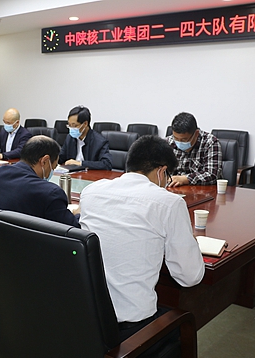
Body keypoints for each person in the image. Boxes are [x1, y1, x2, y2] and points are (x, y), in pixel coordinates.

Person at [79, 135, 204, 340]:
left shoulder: (91, 191)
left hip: (86, 314)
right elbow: (189, 277)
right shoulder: (169, 203)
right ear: (162, 171)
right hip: (130, 328)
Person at [0, 135, 81, 282]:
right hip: (19, 280)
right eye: (53, 167)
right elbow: (73, 233)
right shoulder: (49, 193)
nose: (51, 172)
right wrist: (78, 213)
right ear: (44, 161)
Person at [167, 112, 222, 186]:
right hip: (173, 188)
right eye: (176, 138)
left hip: (202, 189)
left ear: (196, 133)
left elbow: (212, 175)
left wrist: (185, 179)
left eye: (184, 140)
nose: (179, 142)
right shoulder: (168, 142)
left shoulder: (210, 142)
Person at [58, 105, 112, 170]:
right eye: (69, 125)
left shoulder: (100, 142)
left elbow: (106, 164)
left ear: (85, 124)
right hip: (71, 174)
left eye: (74, 125)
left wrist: (80, 163)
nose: (71, 128)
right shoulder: (70, 138)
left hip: (90, 175)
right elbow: (61, 157)